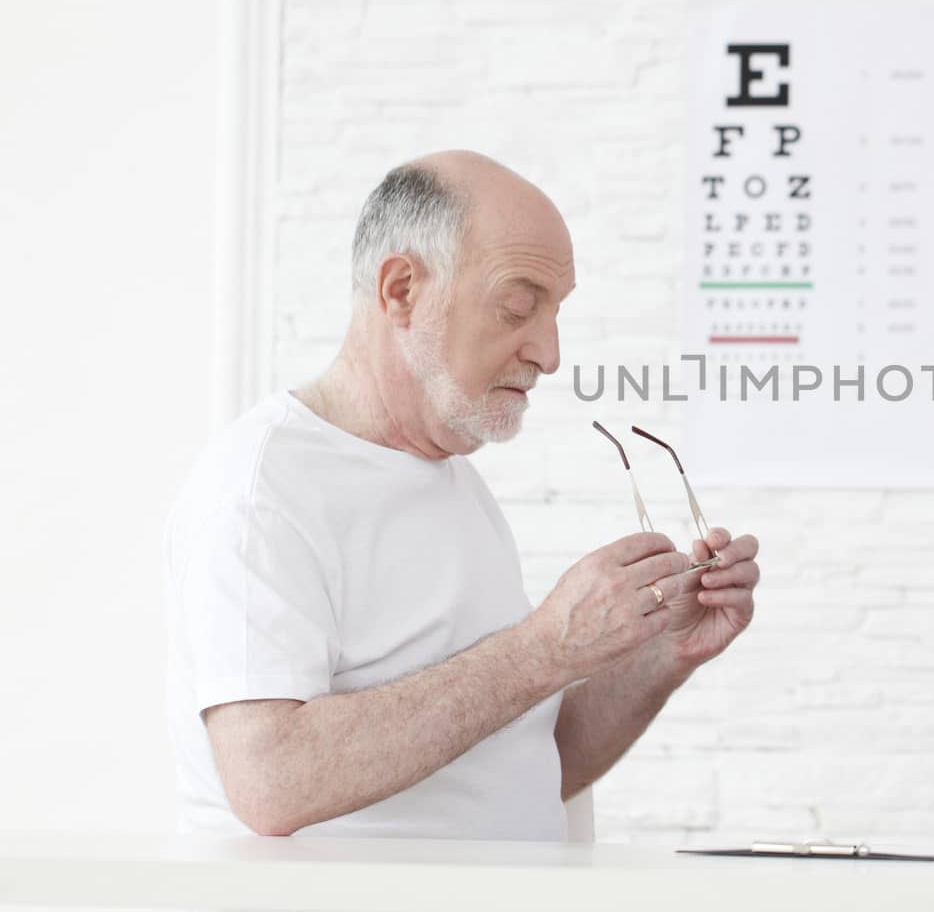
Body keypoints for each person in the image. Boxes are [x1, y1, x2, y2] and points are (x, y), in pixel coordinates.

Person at [165, 151, 761, 838]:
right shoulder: (262, 488)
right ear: (401, 290)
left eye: (555, 313)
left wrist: (663, 652)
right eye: (518, 306)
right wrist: (544, 647)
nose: (550, 352)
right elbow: (271, 780)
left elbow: (532, 763)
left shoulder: (451, 480)